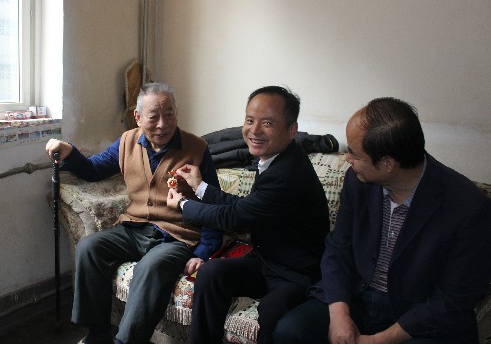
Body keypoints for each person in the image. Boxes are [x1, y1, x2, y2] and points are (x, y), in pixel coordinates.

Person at [272, 97, 491, 344]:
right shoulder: (357, 180)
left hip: (419, 316)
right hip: (357, 297)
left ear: (387, 164)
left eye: (354, 154)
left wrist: (377, 341)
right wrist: (340, 315)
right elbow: (338, 248)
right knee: (291, 331)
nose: (347, 159)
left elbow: (452, 299)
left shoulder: (468, 207)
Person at [46, 82, 222, 344]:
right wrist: (69, 152)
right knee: (89, 248)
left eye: (169, 114)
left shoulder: (196, 148)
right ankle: (97, 334)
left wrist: (204, 251)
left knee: (151, 267)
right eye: (153, 117)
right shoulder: (127, 141)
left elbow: (212, 203)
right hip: (134, 228)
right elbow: (93, 170)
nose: (162, 124)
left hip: (176, 236)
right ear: (138, 117)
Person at [166, 86, 330, 344]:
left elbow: (234, 217)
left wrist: (184, 204)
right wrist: (199, 186)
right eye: (250, 120)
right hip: (265, 260)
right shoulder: (274, 158)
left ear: (292, 130)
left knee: (272, 311)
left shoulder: (287, 173)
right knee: (211, 274)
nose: (254, 131)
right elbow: (246, 206)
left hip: (295, 273)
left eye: (267, 123)